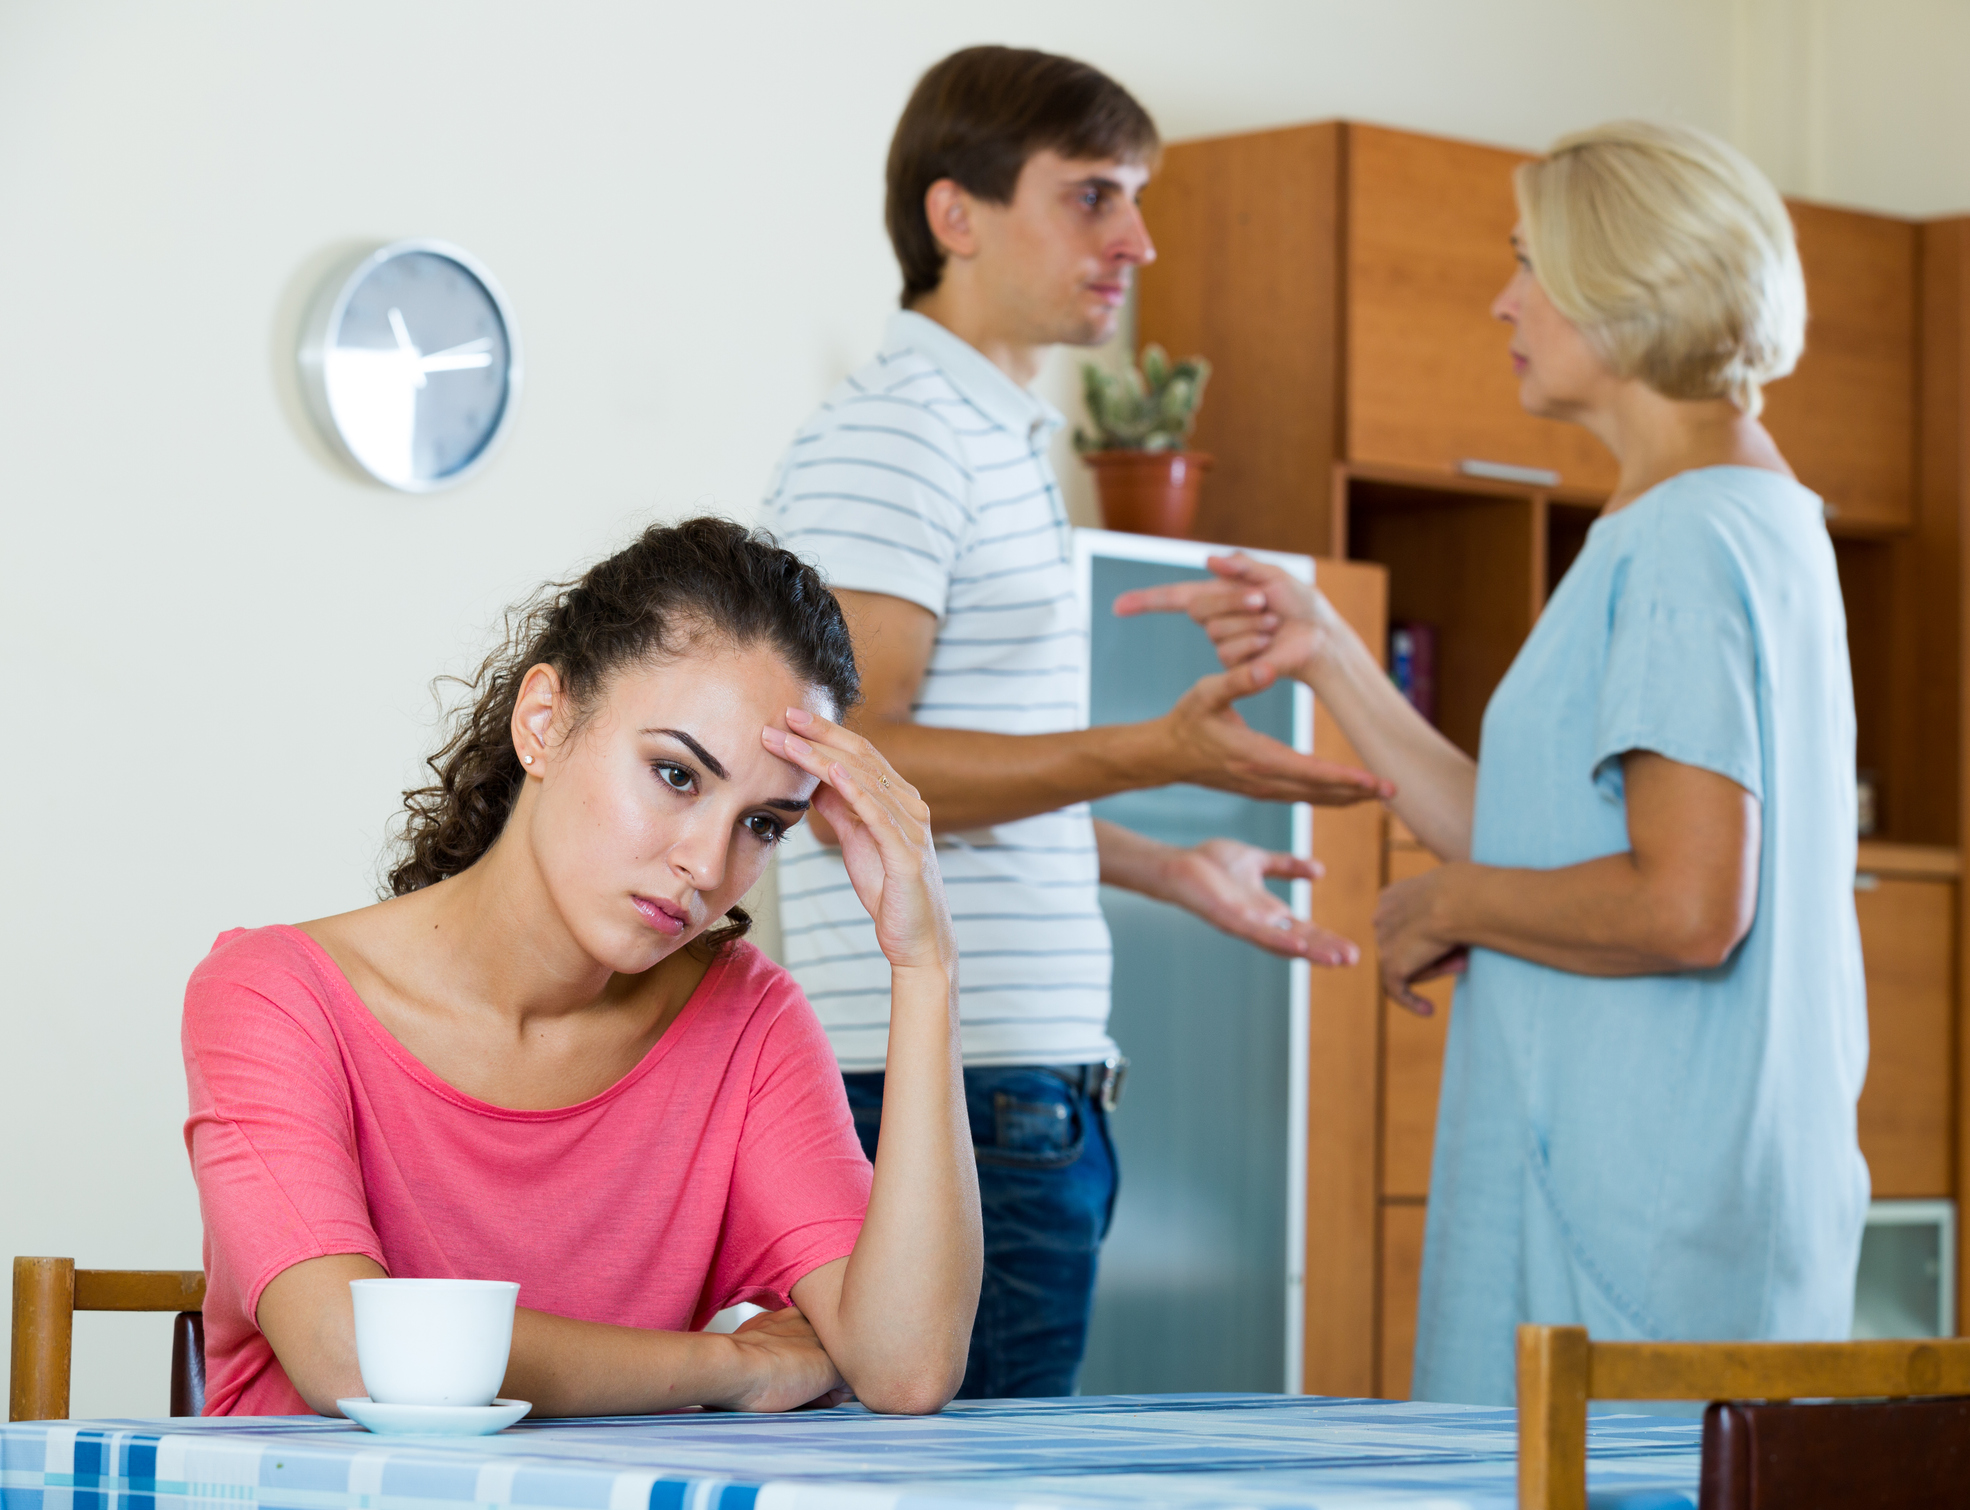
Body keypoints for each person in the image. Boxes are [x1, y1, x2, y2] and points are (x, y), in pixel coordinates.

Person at [1121, 121, 1868, 1404]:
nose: (1501, 299)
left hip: (1632, 1223)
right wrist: (1330, 659)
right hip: (1669, 1202)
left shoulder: (1683, 544)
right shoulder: (1741, 518)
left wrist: (1450, 906)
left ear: (1622, 284)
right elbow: (1530, 831)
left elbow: (1687, 906)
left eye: (1529, 264)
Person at [764, 44, 1391, 1399]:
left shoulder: (991, 436)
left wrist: (1166, 863)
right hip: (950, 1094)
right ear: (956, 214)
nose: (1138, 240)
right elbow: (845, 781)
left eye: (1137, 199)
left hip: (1007, 1087)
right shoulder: (901, 437)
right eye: (1095, 196)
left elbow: (944, 795)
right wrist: (1158, 755)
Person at [181, 518, 980, 1417]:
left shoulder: (746, 1021)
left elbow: (906, 1368)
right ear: (544, 723)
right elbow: (355, 1357)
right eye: (677, 775)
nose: (707, 866)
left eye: (764, 823)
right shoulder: (274, 995)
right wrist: (737, 1366)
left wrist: (925, 964)